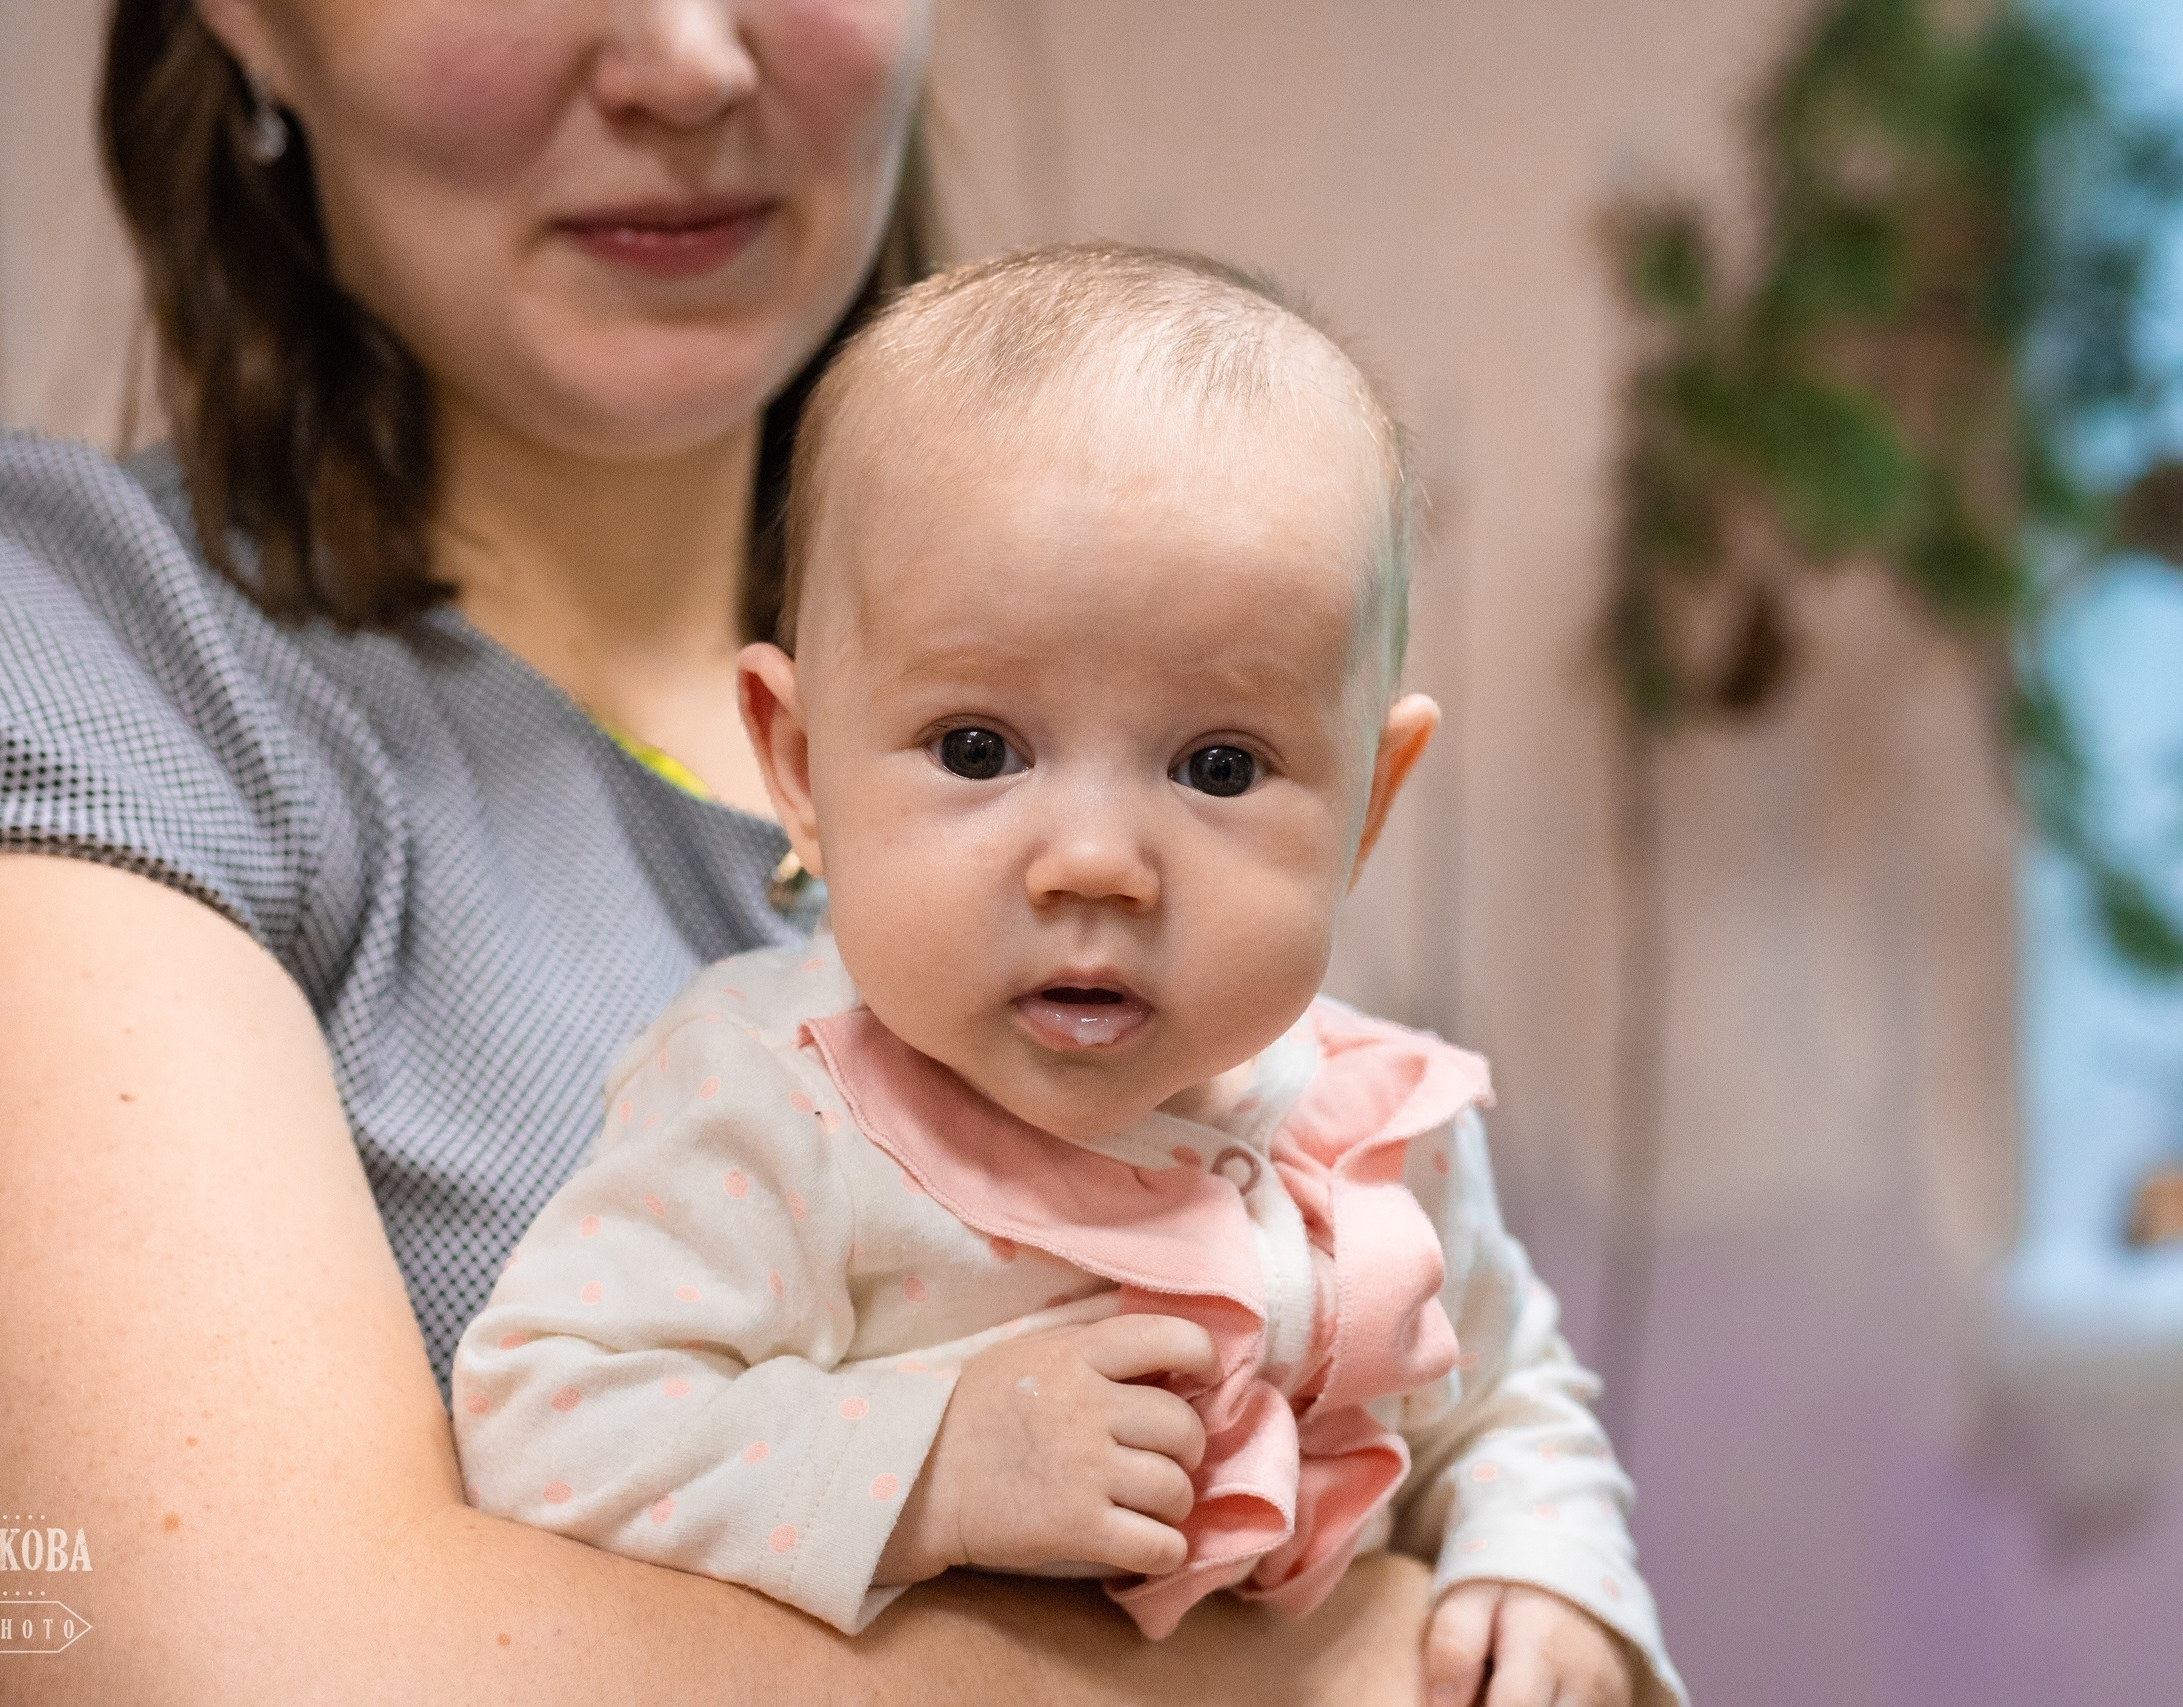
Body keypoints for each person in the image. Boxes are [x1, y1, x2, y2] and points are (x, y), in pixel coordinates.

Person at [0, 2, 1442, 1700]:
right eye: (976, 753)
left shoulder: (1158, 665)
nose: (689, 60)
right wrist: (1343, 1665)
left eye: (1213, 767)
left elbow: (1491, 1440)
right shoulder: (78, 645)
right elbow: (231, 1677)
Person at [454, 247, 1684, 1707]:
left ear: (1367, 803)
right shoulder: (777, 1110)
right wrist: (937, 1459)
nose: (1096, 862)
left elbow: (1505, 1404)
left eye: (1218, 766)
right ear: (798, 762)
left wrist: (1540, 1567)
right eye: (979, 749)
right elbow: (546, 1417)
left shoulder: (1374, 1135)